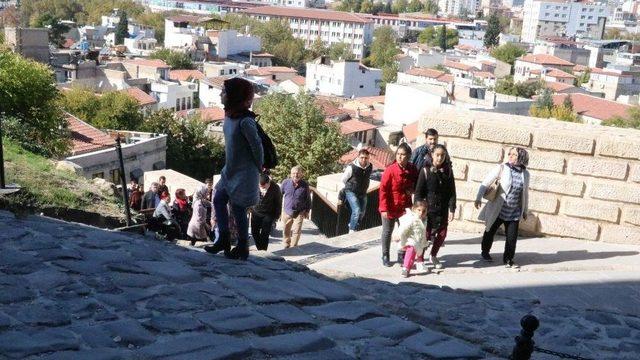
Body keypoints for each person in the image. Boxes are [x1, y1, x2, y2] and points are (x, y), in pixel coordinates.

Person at [204, 77, 263, 261]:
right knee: (219, 198)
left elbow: (257, 147)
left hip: (244, 173)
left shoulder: (245, 121)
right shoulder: (230, 116)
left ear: (233, 95)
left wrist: (258, 168)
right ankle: (223, 238)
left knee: (238, 209)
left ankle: (242, 246)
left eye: (224, 91)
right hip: (230, 170)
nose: (221, 94)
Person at [474, 147, 530, 268]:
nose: (510, 156)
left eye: (514, 154)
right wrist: (478, 197)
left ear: (521, 157)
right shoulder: (502, 168)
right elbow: (486, 182)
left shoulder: (525, 174)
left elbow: (525, 193)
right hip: (498, 209)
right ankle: (485, 252)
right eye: (510, 154)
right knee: (489, 231)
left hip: (514, 211)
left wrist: (525, 210)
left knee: (512, 238)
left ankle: (508, 259)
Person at [414, 145, 456, 270]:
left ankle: (433, 255)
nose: (440, 158)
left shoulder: (448, 171)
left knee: (442, 234)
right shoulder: (425, 170)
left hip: (442, 209)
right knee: (424, 236)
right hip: (427, 210)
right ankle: (420, 260)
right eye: (437, 155)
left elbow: (452, 192)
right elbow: (418, 192)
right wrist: (418, 210)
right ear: (432, 155)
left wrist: (452, 208)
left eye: (442, 155)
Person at [378, 143, 418, 267]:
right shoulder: (390, 170)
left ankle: (401, 254)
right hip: (390, 205)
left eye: (403, 155)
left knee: (404, 231)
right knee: (387, 231)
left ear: (409, 156)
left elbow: (417, 183)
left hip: (404, 206)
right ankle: (385, 255)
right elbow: (383, 189)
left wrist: (412, 189)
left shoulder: (412, 169)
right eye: (398, 154)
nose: (400, 157)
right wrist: (384, 208)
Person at [341, 148, 372, 233]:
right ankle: (352, 230)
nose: (364, 159)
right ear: (358, 157)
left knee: (362, 212)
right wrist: (347, 188)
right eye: (362, 157)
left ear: (368, 158)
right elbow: (343, 179)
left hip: (363, 192)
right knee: (357, 210)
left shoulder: (370, 166)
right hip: (351, 191)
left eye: (366, 158)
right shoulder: (352, 167)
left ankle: (352, 224)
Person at [395, 200, 429, 278]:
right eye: (419, 210)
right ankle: (406, 268)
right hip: (410, 239)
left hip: (419, 241)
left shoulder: (424, 220)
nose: (421, 213)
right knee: (411, 251)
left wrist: (425, 242)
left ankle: (419, 263)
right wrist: (398, 235)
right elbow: (404, 227)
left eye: (423, 211)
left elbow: (423, 233)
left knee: (418, 253)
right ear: (414, 209)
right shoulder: (411, 218)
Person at [281, 165, 311, 248]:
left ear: (301, 174)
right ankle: (286, 245)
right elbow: (279, 195)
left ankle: (294, 247)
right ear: (291, 174)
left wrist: (307, 211)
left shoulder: (305, 185)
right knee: (286, 229)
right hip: (287, 211)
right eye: (293, 173)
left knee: (297, 230)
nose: (295, 175)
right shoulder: (285, 183)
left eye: (297, 173)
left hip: (299, 212)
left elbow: (308, 199)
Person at [251, 174, 282, 251]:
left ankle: (263, 251)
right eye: (260, 186)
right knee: (254, 232)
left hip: (268, 213)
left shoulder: (275, 188)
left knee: (265, 234)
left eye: (264, 186)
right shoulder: (254, 185)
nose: (262, 188)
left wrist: (277, 216)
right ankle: (260, 249)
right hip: (256, 211)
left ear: (268, 183)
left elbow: (278, 202)